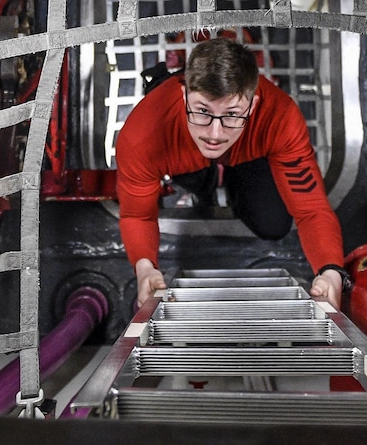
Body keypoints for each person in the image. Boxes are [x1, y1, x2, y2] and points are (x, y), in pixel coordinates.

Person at [116, 36, 349, 308]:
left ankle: (232, 183)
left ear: (253, 104)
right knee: (198, 179)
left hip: (248, 155)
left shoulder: (281, 117)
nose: (215, 134)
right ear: (184, 96)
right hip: (184, 158)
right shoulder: (142, 133)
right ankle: (206, 184)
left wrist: (331, 271)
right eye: (202, 111)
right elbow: (137, 215)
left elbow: (311, 209)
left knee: (273, 224)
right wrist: (145, 267)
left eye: (232, 114)